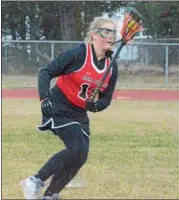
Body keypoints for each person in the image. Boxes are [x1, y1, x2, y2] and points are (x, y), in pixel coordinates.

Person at [20, 16, 118, 200]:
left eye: (113, 32)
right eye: (105, 31)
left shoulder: (111, 67)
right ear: (93, 35)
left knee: (81, 156)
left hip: (79, 113)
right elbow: (46, 72)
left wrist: (95, 106)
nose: (110, 36)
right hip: (60, 106)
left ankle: (50, 195)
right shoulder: (79, 54)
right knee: (76, 148)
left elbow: (106, 99)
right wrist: (44, 99)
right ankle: (34, 181)